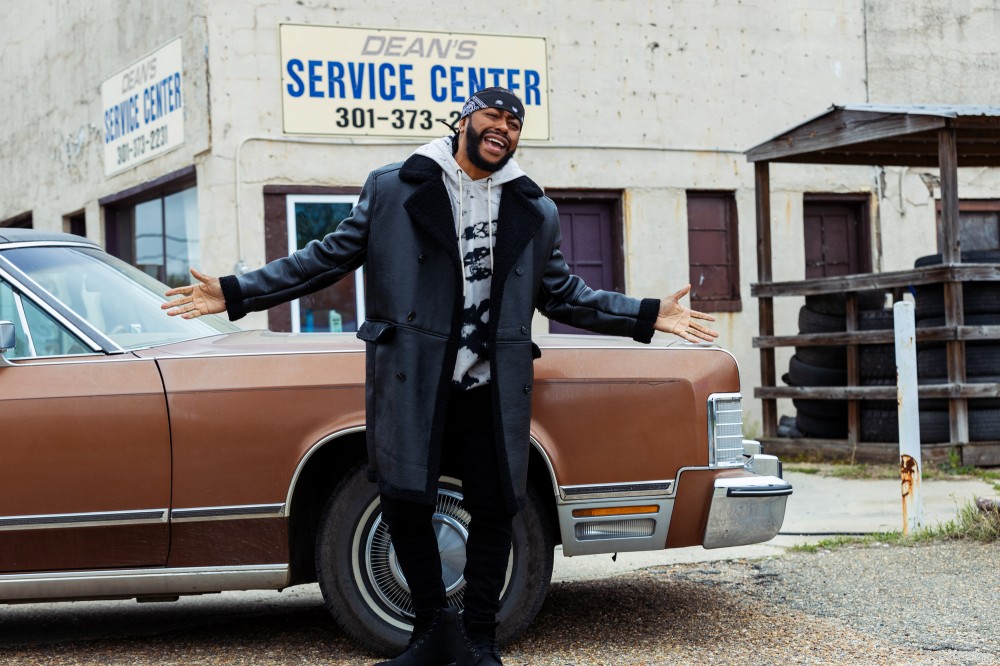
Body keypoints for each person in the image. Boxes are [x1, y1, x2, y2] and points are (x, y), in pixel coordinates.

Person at [163, 86, 719, 666]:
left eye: (515, 121)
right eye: (492, 115)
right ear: (464, 120)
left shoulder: (534, 208)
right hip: (415, 378)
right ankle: (430, 633)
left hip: (492, 386)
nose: (503, 127)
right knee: (403, 502)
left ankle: (480, 639)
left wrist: (652, 314)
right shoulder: (396, 187)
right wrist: (234, 292)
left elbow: (565, 295)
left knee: (497, 507)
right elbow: (325, 257)